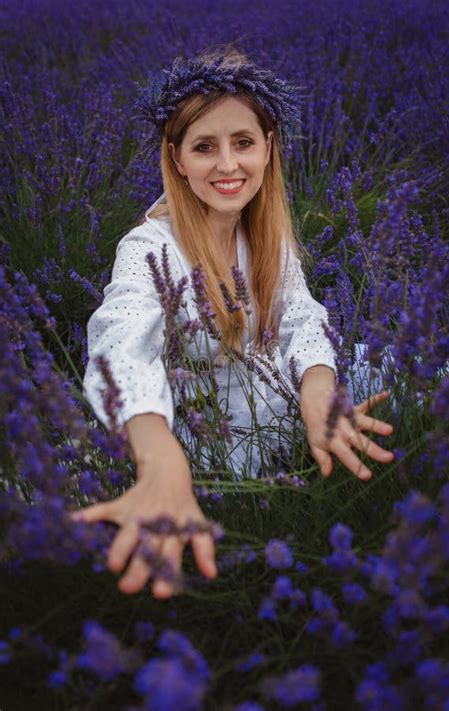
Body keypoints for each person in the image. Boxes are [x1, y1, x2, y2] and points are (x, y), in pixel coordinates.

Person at [74, 48, 394, 600]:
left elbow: (300, 315)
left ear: (268, 148)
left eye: (242, 143)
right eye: (204, 147)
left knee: (414, 378)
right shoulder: (149, 250)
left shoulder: (263, 231)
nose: (227, 166)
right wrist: (161, 461)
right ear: (176, 159)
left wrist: (318, 390)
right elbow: (119, 349)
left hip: (284, 400)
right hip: (214, 434)